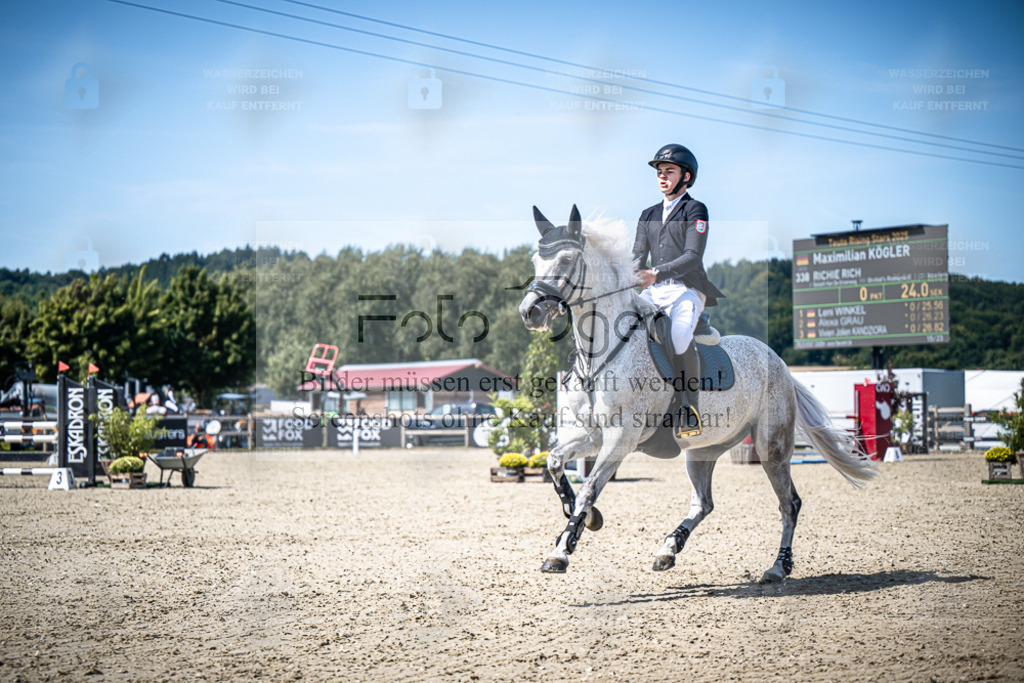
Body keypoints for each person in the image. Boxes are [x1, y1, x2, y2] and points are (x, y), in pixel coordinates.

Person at [632, 143, 725, 437]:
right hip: (653, 291)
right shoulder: (647, 214)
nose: (662, 177)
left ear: (686, 177)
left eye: (669, 171)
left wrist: (655, 272)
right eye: (659, 172)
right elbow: (636, 256)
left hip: (686, 289)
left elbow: (692, 256)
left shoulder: (695, 209)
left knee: (679, 334)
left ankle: (688, 407)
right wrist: (626, 274)